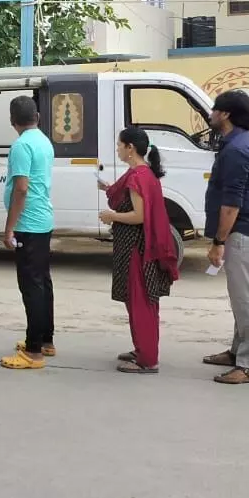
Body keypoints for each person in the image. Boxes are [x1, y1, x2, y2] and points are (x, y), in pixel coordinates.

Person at [202, 89, 249, 385]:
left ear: (225, 114)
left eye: (215, 109)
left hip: (241, 231)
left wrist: (218, 242)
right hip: (244, 230)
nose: (211, 114)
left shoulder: (237, 150)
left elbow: (231, 204)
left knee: (245, 300)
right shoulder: (239, 144)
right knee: (240, 297)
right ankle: (237, 351)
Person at [100, 128, 178, 374]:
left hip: (136, 249)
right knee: (142, 302)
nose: (117, 148)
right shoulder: (143, 173)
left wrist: (112, 216)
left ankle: (147, 359)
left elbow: (139, 215)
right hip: (139, 247)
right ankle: (142, 348)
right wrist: (108, 189)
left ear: (130, 147)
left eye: (119, 144)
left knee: (140, 303)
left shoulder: (137, 177)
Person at [0, 96, 57, 370]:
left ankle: (34, 351)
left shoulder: (21, 146)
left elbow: (21, 188)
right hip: (42, 220)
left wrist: (9, 227)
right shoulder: (44, 141)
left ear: (13, 121)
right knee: (43, 283)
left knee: (31, 287)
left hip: (27, 224)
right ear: (38, 117)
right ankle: (46, 339)